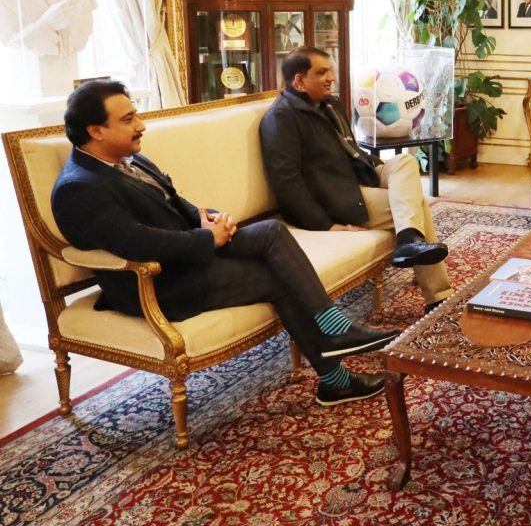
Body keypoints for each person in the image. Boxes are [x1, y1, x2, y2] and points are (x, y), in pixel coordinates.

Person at [51, 80, 400, 405]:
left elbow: (174, 201)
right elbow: (138, 243)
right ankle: (335, 375)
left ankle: (334, 329)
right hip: (157, 284)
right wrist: (206, 238)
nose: (140, 125)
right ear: (96, 131)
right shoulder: (78, 189)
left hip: (185, 255)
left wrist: (209, 218)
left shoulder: (130, 157)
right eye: (128, 119)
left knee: (272, 232)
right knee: (274, 277)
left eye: (136, 115)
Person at [259, 47, 453, 313]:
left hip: (357, 177)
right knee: (413, 202)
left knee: (405, 163)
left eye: (330, 71)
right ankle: (436, 294)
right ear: (299, 81)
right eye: (321, 73)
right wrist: (326, 225)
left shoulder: (330, 105)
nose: (331, 78)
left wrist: (377, 169)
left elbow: (351, 150)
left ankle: (409, 241)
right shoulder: (281, 118)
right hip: (336, 197)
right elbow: (286, 182)